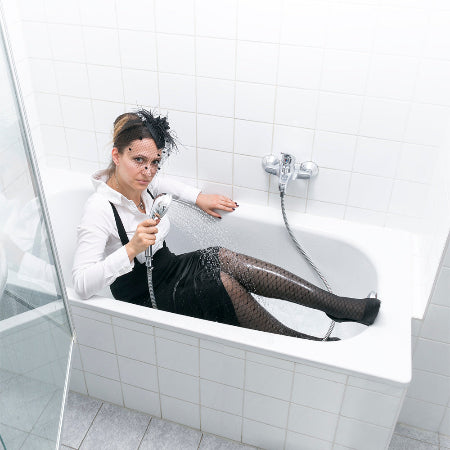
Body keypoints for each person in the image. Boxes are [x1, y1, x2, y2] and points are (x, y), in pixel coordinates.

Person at [72, 109, 380, 341]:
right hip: (144, 296)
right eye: (139, 160)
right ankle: (303, 344)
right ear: (116, 155)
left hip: (170, 268)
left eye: (155, 162)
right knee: (223, 284)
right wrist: (131, 249)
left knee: (223, 257)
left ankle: (337, 305)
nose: (148, 171)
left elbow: (169, 184)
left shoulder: (144, 182)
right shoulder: (99, 208)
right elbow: (82, 285)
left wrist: (199, 197)